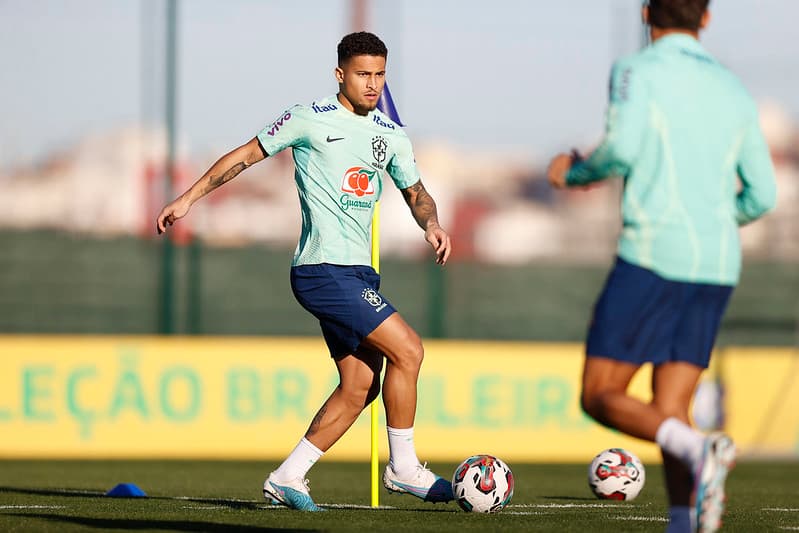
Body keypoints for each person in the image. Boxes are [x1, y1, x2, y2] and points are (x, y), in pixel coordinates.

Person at [156, 31, 453, 511]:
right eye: (363, 74)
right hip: (321, 269)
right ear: (340, 74)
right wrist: (187, 198)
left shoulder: (390, 134)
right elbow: (244, 156)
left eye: (379, 75)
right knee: (410, 350)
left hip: (359, 274)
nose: (373, 84)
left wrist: (432, 223)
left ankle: (287, 477)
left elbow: (416, 193)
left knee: (360, 386)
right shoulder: (308, 120)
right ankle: (403, 468)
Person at [546, 1, 776, 532]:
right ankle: (681, 521)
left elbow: (622, 148)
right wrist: (719, 220)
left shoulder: (635, 70)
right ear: (707, 18)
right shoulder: (733, 89)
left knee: (600, 393)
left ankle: (700, 449)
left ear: (647, 13)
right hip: (717, 266)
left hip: (652, 255)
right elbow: (762, 194)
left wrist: (574, 173)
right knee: (670, 406)